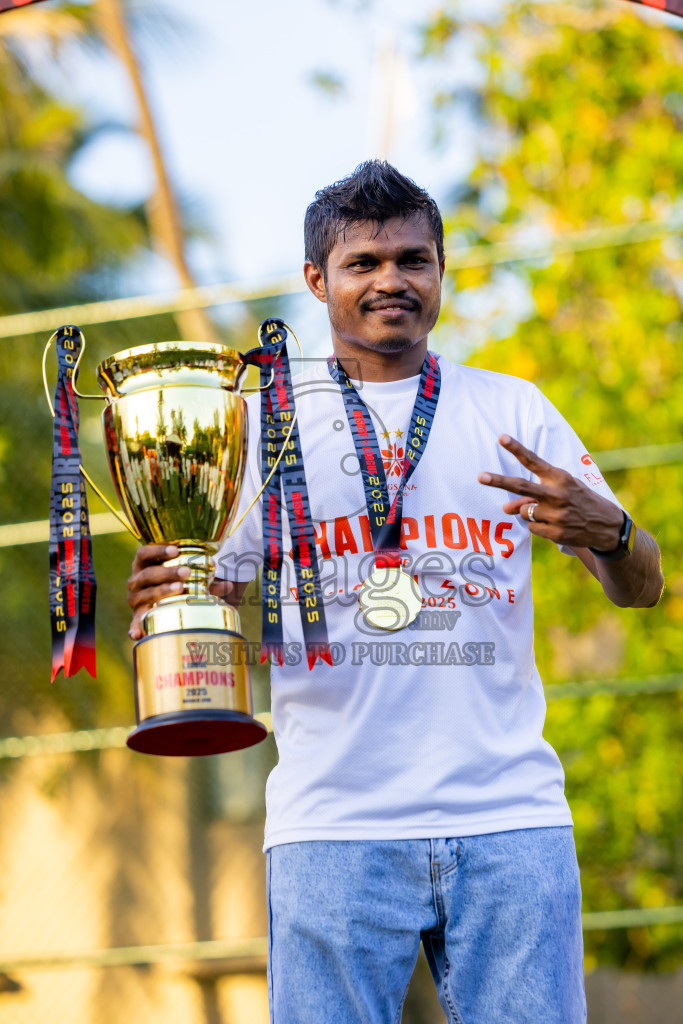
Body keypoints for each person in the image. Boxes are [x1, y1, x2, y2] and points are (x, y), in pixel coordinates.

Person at [126, 161, 664, 1024]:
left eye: (413, 259)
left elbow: (643, 588)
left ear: (440, 270)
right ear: (317, 280)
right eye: (363, 262)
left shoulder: (513, 410)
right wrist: (174, 597)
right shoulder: (257, 426)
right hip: (333, 826)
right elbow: (211, 598)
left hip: (510, 818)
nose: (391, 280)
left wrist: (613, 531)